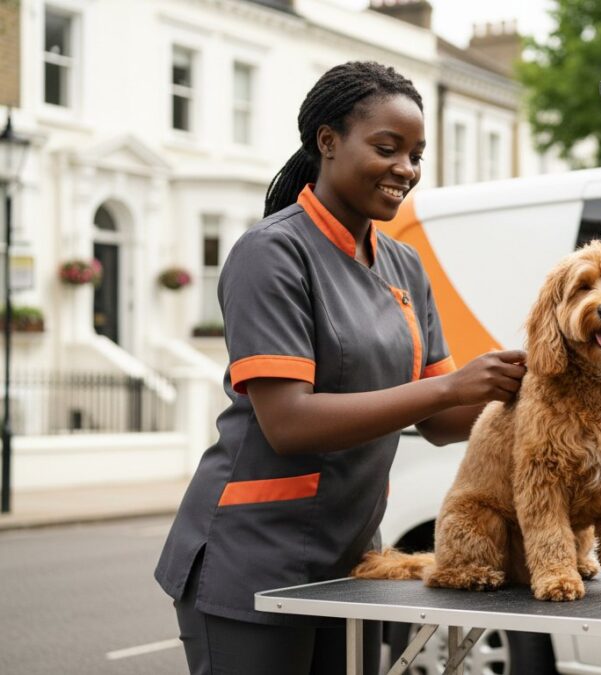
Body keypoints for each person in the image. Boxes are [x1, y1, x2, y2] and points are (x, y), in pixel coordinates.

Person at [154, 61, 527, 675]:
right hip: (253, 556)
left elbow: (446, 415)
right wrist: (449, 386)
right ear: (328, 142)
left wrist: (548, 381)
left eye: (416, 154)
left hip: (353, 559)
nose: (406, 169)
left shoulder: (403, 265)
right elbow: (289, 423)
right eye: (388, 148)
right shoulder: (271, 253)